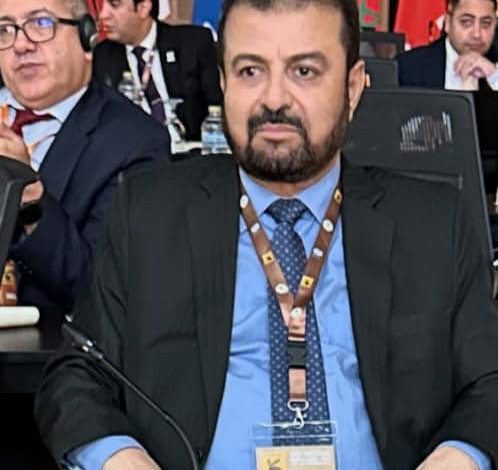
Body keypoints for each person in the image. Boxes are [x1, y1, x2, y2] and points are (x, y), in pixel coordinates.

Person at [35, 0, 498, 469]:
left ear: (353, 86)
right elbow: (78, 375)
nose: (274, 100)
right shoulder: (149, 214)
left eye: (304, 71)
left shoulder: (432, 224)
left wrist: (459, 457)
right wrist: (120, 459)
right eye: (250, 71)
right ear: (223, 83)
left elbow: (489, 382)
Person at [0, 0, 170, 310]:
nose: (21, 45)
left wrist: (28, 193)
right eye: (5, 30)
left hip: (41, 335)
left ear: (86, 38)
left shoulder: (135, 142)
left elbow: (101, 289)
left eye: (41, 24)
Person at [93, 0, 222, 141]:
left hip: (192, 148)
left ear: (143, 8)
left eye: (114, 5)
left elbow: (217, 108)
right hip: (137, 150)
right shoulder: (101, 56)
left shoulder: (193, 43)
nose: (103, 15)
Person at [397, 0, 498, 90]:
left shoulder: (495, 69)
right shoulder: (408, 66)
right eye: (466, 22)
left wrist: (494, 77)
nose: (477, 34)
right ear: (448, 23)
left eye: (486, 23)